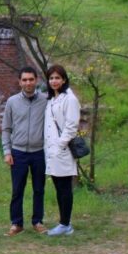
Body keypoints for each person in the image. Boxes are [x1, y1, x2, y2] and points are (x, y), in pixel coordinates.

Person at [1, 66, 48, 236]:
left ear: (37, 80)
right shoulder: (12, 102)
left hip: (39, 152)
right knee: (17, 190)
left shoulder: (45, 100)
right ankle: (16, 223)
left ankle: (37, 221)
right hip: (18, 152)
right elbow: (6, 128)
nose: (28, 82)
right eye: (25, 80)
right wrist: (7, 151)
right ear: (19, 82)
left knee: (39, 189)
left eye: (31, 79)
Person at [44, 64, 81, 236]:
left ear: (64, 79)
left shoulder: (69, 99)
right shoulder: (52, 99)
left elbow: (71, 125)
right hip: (52, 151)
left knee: (65, 187)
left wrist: (60, 145)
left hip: (62, 151)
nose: (54, 81)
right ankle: (64, 222)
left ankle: (65, 224)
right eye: (51, 78)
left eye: (57, 78)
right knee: (59, 187)